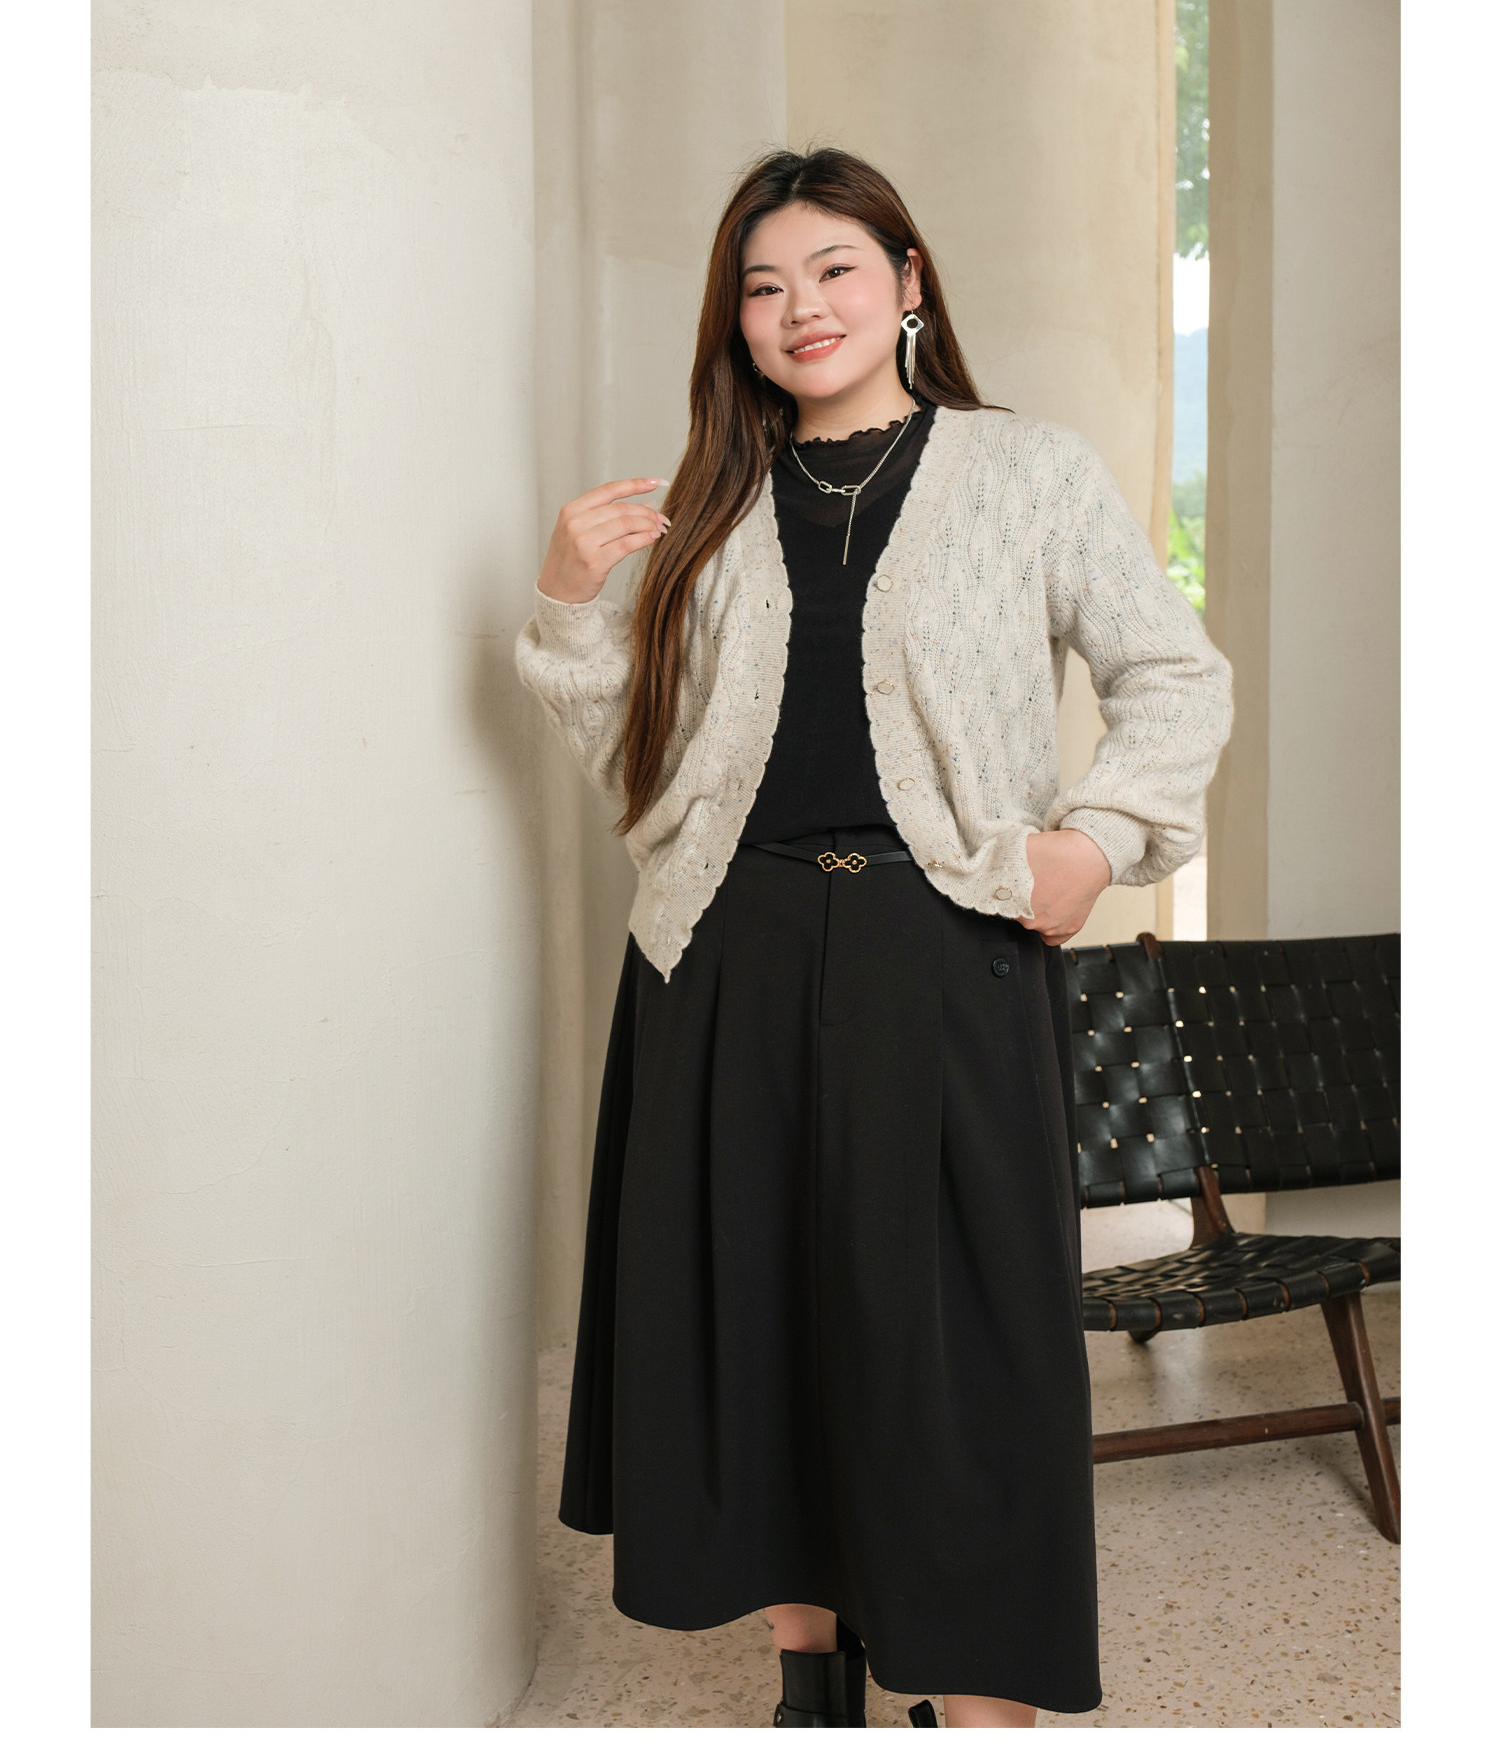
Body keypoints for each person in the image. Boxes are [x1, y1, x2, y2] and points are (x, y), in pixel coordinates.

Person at [515, 147, 1232, 1729]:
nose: (801, 309)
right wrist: (571, 607)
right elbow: (643, 764)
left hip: (947, 943)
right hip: (726, 953)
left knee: (966, 1344)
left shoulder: (1026, 470)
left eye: (834, 269)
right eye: (763, 286)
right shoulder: (715, 506)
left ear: (907, 280)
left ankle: (980, 1700)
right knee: (765, 1314)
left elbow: (1174, 674)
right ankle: (812, 1676)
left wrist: (1098, 838)